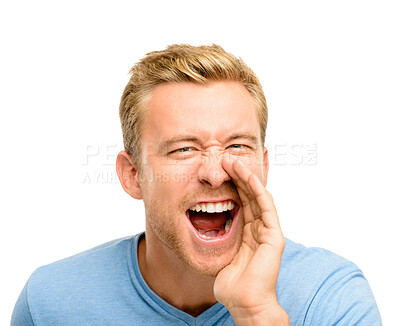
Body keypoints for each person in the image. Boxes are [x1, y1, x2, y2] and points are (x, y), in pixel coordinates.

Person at [11, 44, 382, 325]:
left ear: (264, 167)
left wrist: (257, 313)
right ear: (133, 175)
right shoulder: (49, 304)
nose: (216, 173)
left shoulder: (331, 295)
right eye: (184, 149)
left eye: (237, 146)